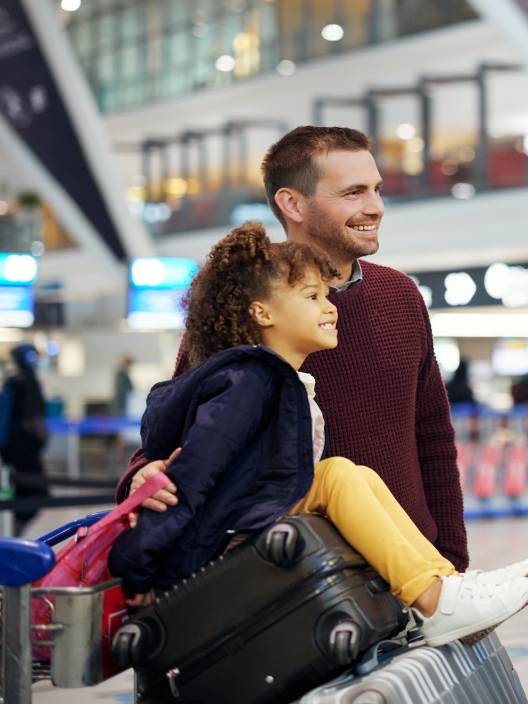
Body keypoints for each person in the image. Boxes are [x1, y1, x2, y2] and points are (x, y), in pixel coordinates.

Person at [109, 224, 528, 645]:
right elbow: (189, 481)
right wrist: (140, 572)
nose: (330, 306)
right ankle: (437, 603)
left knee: (357, 475)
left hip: (251, 522)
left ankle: (445, 587)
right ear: (262, 313)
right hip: (220, 544)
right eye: (312, 296)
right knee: (337, 475)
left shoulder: (278, 380)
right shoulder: (246, 384)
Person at [118, 126, 470, 571]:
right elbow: (175, 424)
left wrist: (452, 559)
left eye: (377, 189)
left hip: (412, 563)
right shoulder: (248, 303)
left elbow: (433, 435)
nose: (375, 207)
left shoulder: (400, 296)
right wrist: (141, 475)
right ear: (292, 204)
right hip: (295, 575)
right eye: (353, 192)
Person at [1, 343, 49, 533]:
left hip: (9, 448)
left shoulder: (12, 381)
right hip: (24, 447)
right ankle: (14, 533)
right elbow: (33, 418)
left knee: (21, 493)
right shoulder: (29, 382)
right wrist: (40, 440)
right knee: (39, 492)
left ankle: (13, 533)